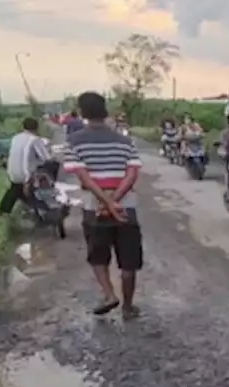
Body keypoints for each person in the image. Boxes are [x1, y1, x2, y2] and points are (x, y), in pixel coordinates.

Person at [62, 91, 144, 318]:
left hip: (93, 208)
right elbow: (131, 175)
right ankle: (128, 307)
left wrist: (106, 203)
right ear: (105, 110)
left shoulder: (74, 142)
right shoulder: (126, 141)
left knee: (98, 256)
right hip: (125, 207)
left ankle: (109, 295)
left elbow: (84, 178)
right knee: (129, 262)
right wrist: (115, 202)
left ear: (81, 113)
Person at [0, 117, 51, 217]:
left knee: (15, 189)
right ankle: (44, 205)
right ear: (37, 128)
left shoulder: (15, 138)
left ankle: (4, 211)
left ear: (23, 127)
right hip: (25, 175)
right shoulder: (35, 139)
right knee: (50, 168)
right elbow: (46, 157)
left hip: (12, 173)